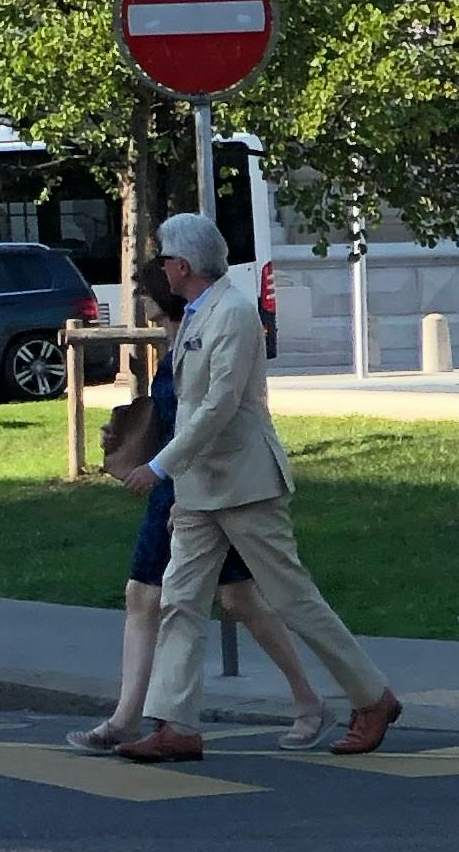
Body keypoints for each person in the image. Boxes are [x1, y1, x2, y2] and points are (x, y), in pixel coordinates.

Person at [109, 214, 402, 761]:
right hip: (199, 490)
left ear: (184, 265)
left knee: (293, 598)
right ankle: (177, 724)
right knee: (180, 601)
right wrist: (174, 480)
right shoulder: (197, 314)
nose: (162, 269)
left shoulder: (236, 314)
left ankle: (373, 697)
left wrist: (160, 468)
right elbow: (189, 406)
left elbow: (219, 406)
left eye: (166, 259)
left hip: (245, 486)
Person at [71, 261, 329, 755]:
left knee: (240, 601)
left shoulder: (205, 329)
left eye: (146, 293)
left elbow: (212, 414)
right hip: (181, 483)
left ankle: (310, 701)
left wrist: (162, 471)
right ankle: (130, 718)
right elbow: (172, 417)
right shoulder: (176, 342)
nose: (144, 302)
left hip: (208, 484)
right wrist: (127, 436)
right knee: (147, 594)